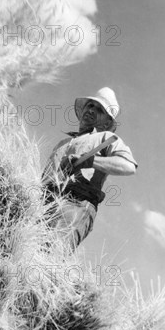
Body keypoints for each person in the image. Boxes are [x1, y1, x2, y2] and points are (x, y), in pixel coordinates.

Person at [42, 87, 137, 250]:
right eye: (90, 105)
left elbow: (128, 166)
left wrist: (90, 161)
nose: (92, 110)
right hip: (44, 203)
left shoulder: (106, 138)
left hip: (74, 203)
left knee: (50, 252)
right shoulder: (63, 143)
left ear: (107, 122)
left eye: (99, 109)